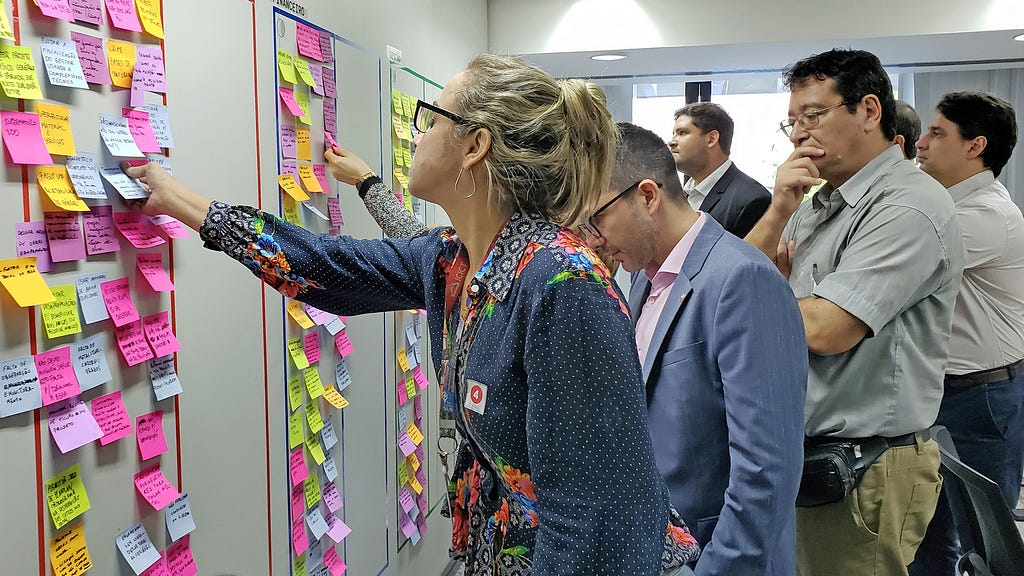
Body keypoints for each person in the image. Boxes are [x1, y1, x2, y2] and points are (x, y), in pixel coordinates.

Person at [123, 54, 699, 575]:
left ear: (474, 146)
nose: (420, 133)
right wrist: (178, 200)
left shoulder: (563, 285)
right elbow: (327, 269)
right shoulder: (452, 257)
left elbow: (596, 529)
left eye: (432, 118)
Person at [745, 48, 965, 575]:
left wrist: (767, 299)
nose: (798, 134)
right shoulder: (816, 205)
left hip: (865, 466)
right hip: (807, 457)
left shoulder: (908, 205)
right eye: (792, 121)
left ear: (869, 111)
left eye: (814, 116)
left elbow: (828, 328)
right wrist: (778, 211)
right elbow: (730, 283)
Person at [578, 122, 807, 576]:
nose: (592, 239)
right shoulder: (642, 278)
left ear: (647, 196)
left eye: (596, 218)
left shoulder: (741, 280)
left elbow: (765, 475)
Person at [909, 90, 1023, 576]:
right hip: (943, 391)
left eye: (937, 133)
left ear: (976, 146)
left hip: (982, 397)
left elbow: (893, 269)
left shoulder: (984, 217)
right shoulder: (948, 208)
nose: (920, 143)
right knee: (927, 530)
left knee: (988, 544)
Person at [669, 102, 769, 237]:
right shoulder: (680, 194)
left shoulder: (752, 199)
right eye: (674, 133)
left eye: (682, 133)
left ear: (711, 139)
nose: (672, 141)